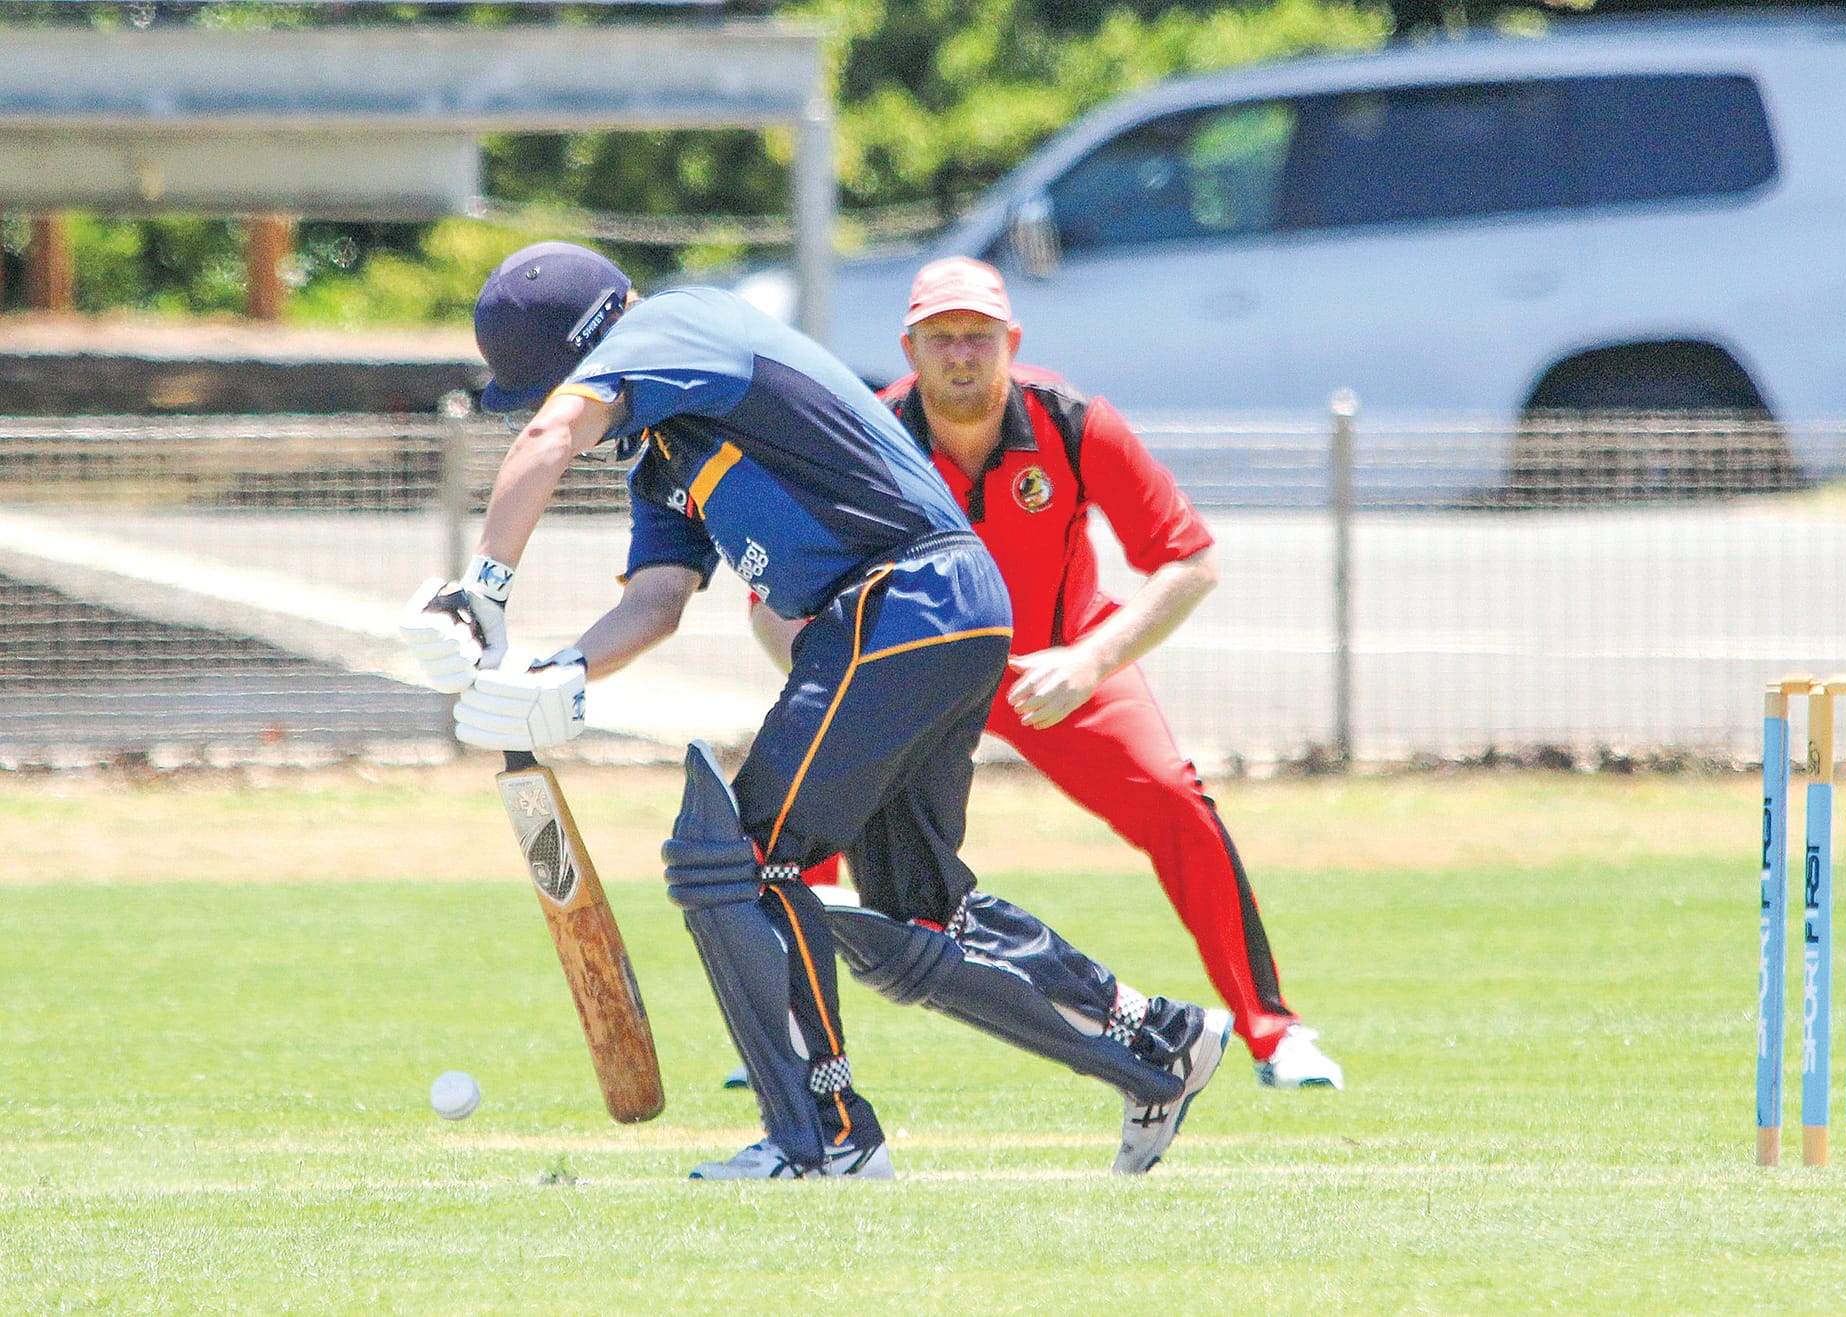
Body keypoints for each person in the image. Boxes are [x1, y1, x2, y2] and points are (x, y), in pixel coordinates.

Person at [397, 241, 1232, 1181]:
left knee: (737, 859)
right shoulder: (668, 453)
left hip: (898, 598)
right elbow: (656, 601)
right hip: (933, 609)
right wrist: (558, 679)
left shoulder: (678, 324)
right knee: (918, 916)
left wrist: (482, 593)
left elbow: (549, 436)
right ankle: (1158, 1042)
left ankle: (824, 1132)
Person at [750, 257, 1343, 1090]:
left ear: (1012, 342)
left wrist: (1090, 659)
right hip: (917, 672)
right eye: (942, 338)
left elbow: (1189, 562)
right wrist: (847, 688)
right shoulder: (867, 438)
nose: (961, 356)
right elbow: (773, 600)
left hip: (1060, 662)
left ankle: (1273, 1033)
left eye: (979, 338)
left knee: (1176, 800)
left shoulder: (1074, 421)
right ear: (909, 347)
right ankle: (791, 1041)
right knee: (805, 820)